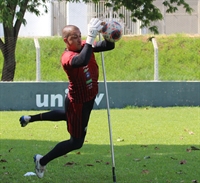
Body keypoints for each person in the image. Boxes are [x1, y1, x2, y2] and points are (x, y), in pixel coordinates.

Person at [19, 18, 115, 178]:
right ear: (66, 40)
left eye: (80, 35)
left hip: (88, 99)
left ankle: (30, 118)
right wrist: (91, 38)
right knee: (76, 142)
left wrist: (108, 33)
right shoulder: (67, 57)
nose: (79, 39)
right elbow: (82, 60)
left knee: (66, 116)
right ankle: (41, 161)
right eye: (74, 37)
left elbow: (108, 46)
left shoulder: (86, 46)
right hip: (78, 103)